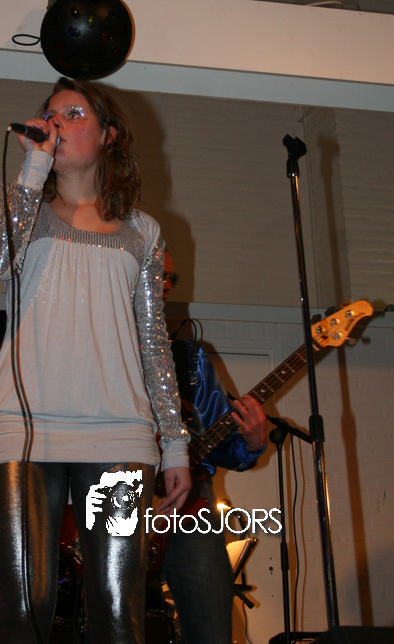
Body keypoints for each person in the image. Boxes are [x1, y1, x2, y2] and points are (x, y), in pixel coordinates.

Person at [0, 77, 191, 644]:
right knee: (25, 611)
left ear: (109, 134)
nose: (57, 123)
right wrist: (33, 168)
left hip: (119, 433)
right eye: (51, 114)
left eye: (74, 114)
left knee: (118, 614)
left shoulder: (142, 230)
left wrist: (174, 443)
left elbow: (153, 342)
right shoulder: (20, 204)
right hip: (22, 428)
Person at [160, 249, 268, 644]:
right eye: (156, 273)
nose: (166, 284)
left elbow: (221, 445)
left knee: (212, 628)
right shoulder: (98, 347)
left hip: (192, 506)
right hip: (118, 497)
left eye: (171, 278)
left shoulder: (189, 359)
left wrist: (251, 443)